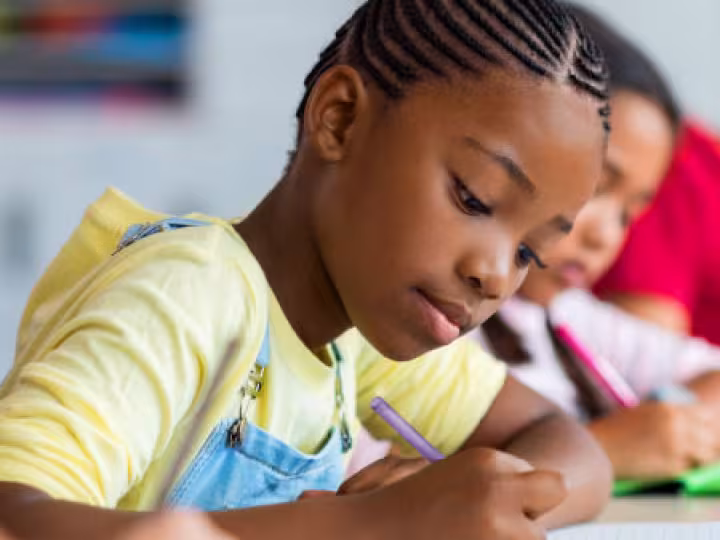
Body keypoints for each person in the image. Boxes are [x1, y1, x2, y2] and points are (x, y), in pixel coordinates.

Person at [0, 1, 612, 538]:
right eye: (474, 199)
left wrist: (488, 503)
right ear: (340, 118)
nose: (498, 277)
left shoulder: (354, 331)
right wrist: (374, 523)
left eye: (530, 252)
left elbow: (567, 444)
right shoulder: (190, 296)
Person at [477, 3, 720, 481]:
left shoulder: (564, 317)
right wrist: (607, 449)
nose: (605, 234)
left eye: (630, 212)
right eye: (596, 187)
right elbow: (407, 484)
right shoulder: (434, 329)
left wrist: (666, 420)